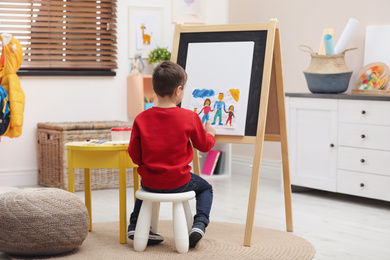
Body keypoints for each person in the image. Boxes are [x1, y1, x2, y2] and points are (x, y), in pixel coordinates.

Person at [127, 61, 216, 248]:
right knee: (205, 187)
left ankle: (135, 226)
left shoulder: (141, 118)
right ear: (178, 90)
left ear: (155, 87)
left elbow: (134, 153)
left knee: (145, 185)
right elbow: (204, 145)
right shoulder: (190, 117)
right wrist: (211, 134)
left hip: (151, 181)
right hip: (179, 181)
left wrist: (145, 167)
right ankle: (199, 224)